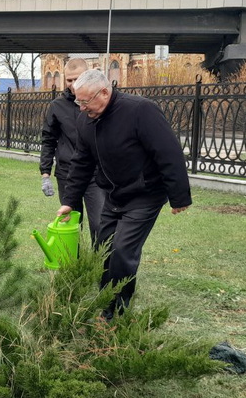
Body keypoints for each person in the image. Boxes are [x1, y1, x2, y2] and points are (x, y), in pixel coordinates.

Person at [57, 69, 191, 321]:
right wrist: (70, 201)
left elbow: (168, 152)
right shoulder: (86, 120)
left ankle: (116, 312)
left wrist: (179, 196)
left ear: (105, 92)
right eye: (78, 101)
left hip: (146, 194)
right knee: (103, 248)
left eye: (85, 101)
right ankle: (106, 300)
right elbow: (81, 163)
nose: (82, 107)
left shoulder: (141, 110)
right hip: (114, 194)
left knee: (122, 251)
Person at [39, 57, 105, 241]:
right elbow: (48, 139)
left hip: (95, 175)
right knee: (71, 224)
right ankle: (72, 265)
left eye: (78, 78)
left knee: (99, 223)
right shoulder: (56, 107)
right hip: (67, 174)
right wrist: (45, 173)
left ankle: (100, 266)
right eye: (69, 80)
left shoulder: (98, 102)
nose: (74, 84)